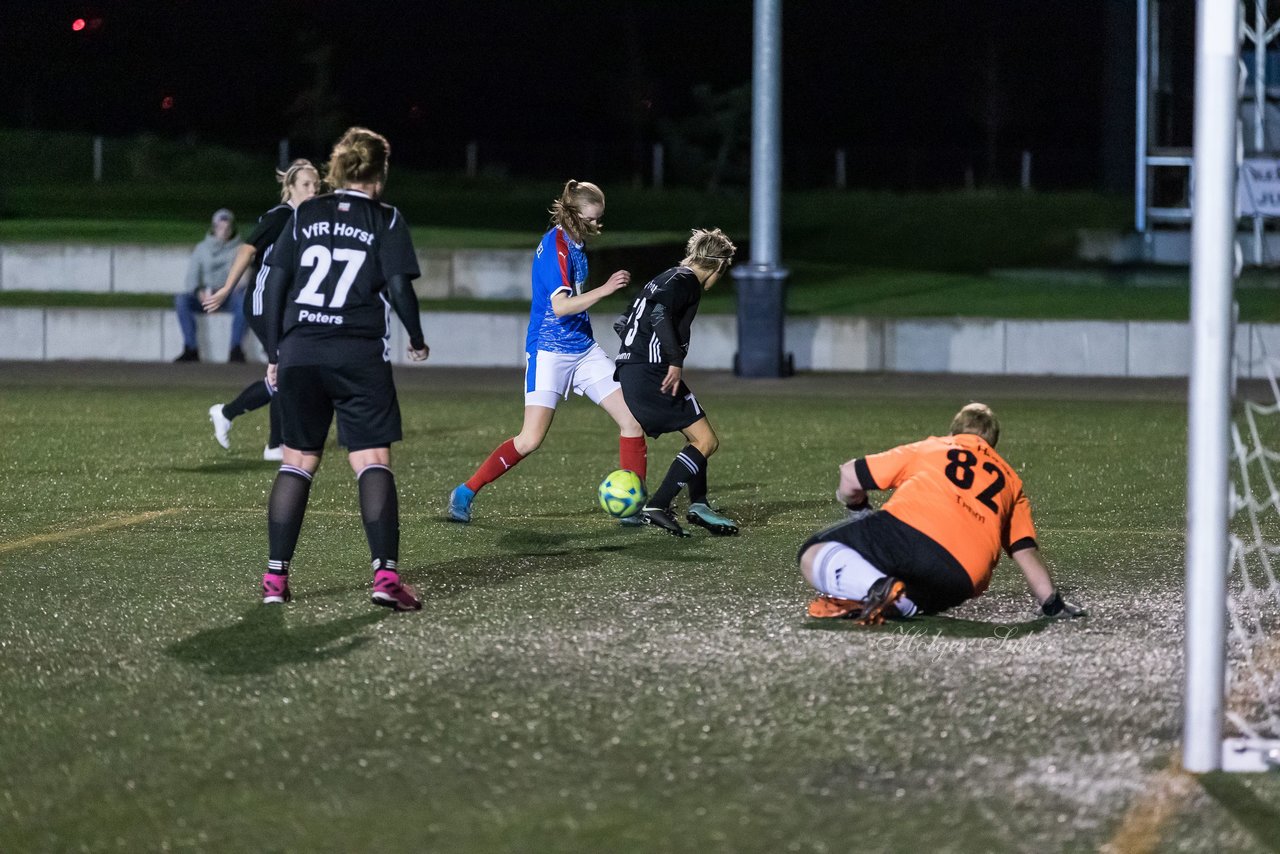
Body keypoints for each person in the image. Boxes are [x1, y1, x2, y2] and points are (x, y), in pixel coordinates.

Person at [260, 127, 429, 611]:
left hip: (299, 352)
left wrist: (276, 351)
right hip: (355, 354)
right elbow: (399, 290)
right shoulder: (387, 219)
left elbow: (275, 286)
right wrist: (416, 339)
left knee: (297, 461)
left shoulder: (306, 211)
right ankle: (385, 578)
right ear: (379, 174)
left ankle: (275, 580)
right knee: (371, 460)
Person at [446, 179, 646, 524]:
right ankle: (466, 491)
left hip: (583, 349)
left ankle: (633, 506)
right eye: (593, 218)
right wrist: (606, 289)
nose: (599, 223)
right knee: (530, 439)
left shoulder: (576, 242)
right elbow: (561, 308)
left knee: (632, 423)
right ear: (574, 215)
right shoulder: (555, 247)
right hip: (549, 352)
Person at [798, 402, 1087, 625]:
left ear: (954, 432)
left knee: (813, 553)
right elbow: (1025, 550)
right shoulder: (1011, 480)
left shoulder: (935, 446)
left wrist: (857, 508)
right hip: (963, 577)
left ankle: (874, 587)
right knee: (907, 595)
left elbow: (850, 476)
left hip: (912, 532)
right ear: (992, 443)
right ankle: (890, 599)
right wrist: (1052, 604)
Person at [613, 228, 739, 537]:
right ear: (718, 266)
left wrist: (642, 353)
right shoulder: (687, 282)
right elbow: (657, 314)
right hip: (652, 373)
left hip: (635, 371)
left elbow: (623, 321)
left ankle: (698, 502)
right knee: (706, 441)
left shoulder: (667, 276)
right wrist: (674, 361)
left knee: (697, 435)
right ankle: (658, 504)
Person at [203, 160, 322, 460]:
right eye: (306, 184)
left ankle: (242, 423)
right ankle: (271, 442)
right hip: (262, 300)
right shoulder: (282, 216)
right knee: (284, 366)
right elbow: (247, 248)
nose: (313, 190)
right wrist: (228, 288)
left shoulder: (309, 220)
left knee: (288, 370)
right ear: (291, 188)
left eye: (316, 185)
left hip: (286, 304)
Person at [173, 208, 249, 362]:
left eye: (227, 227)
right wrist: (198, 292)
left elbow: (244, 277)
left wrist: (228, 290)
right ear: (213, 228)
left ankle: (236, 348)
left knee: (244, 302)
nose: (224, 231)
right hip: (206, 295)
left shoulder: (240, 248)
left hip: (229, 295)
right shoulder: (202, 248)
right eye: (220, 227)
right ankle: (190, 348)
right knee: (182, 300)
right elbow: (192, 277)